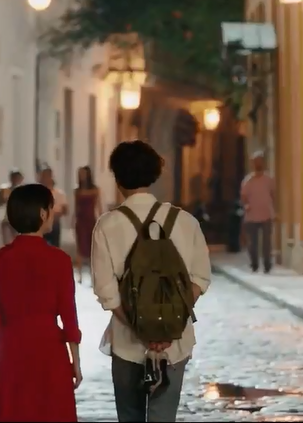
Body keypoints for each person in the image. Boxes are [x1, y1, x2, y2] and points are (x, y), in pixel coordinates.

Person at [91, 140, 212, 422]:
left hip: (127, 342)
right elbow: (200, 279)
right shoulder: (185, 222)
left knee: (129, 416)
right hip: (175, 344)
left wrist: (143, 332)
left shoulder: (107, 225)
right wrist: (168, 325)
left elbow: (107, 292)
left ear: (117, 178)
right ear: (154, 174)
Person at [0, 184, 83, 422]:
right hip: (49, 352)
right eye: (51, 209)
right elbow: (69, 318)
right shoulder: (59, 260)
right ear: (43, 213)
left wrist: (2, 355)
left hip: (10, 350)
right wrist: (75, 362)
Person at [239, 152, 276, 273]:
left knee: (267, 243)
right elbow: (243, 196)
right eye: (255, 162)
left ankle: (267, 265)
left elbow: (273, 194)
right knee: (252, 243)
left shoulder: (269, 180)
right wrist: (246, 205)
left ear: (263, 163)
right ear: (252, 164)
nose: (258, 164)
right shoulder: (248, 181)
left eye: (259, 161)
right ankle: (254, 264)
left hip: (266, 214)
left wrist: (274, 210)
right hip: (252, 216)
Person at [73, 166, 102, 284]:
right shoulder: (77, 191)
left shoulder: (95, 190)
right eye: (80, 174)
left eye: (84, 174)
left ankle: (91, 274)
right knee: (80, 247)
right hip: (81, 220)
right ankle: (79, 274)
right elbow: (76, 207)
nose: (82, 176)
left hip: (91, 220)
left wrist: (101, 219)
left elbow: (98, 206)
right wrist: (73, 220)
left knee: (91, 248)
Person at [40, 166, 69, 249]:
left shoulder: (59, 193)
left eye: (46, 176)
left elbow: (65, 209)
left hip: (55, 223)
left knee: (54, 247)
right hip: (41, 224)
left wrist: (55, 215)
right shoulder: (38, 193)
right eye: (43, 176)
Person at [0, 169, 26, 245]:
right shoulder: (4, 189)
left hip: (19, 220)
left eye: (17, 178)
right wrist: (4, 199)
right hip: (6, 220)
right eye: (14, 177)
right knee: (8, 243)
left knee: (19, 243)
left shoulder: (23, 190)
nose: (16, 179)